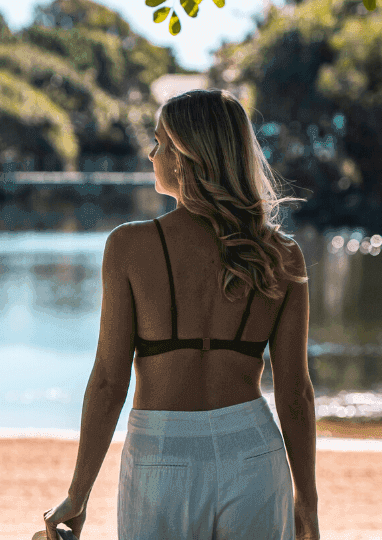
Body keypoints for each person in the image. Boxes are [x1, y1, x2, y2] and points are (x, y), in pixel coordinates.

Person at [43, 89, 319, 540]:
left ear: (186, 155)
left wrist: (79, 494)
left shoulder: (128, 247)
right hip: (253, 454)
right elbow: (295, 394)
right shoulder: (280, 255)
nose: (151, 154)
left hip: (159, 456)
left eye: (159, 143)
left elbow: (110, 382)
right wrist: (307, 503)